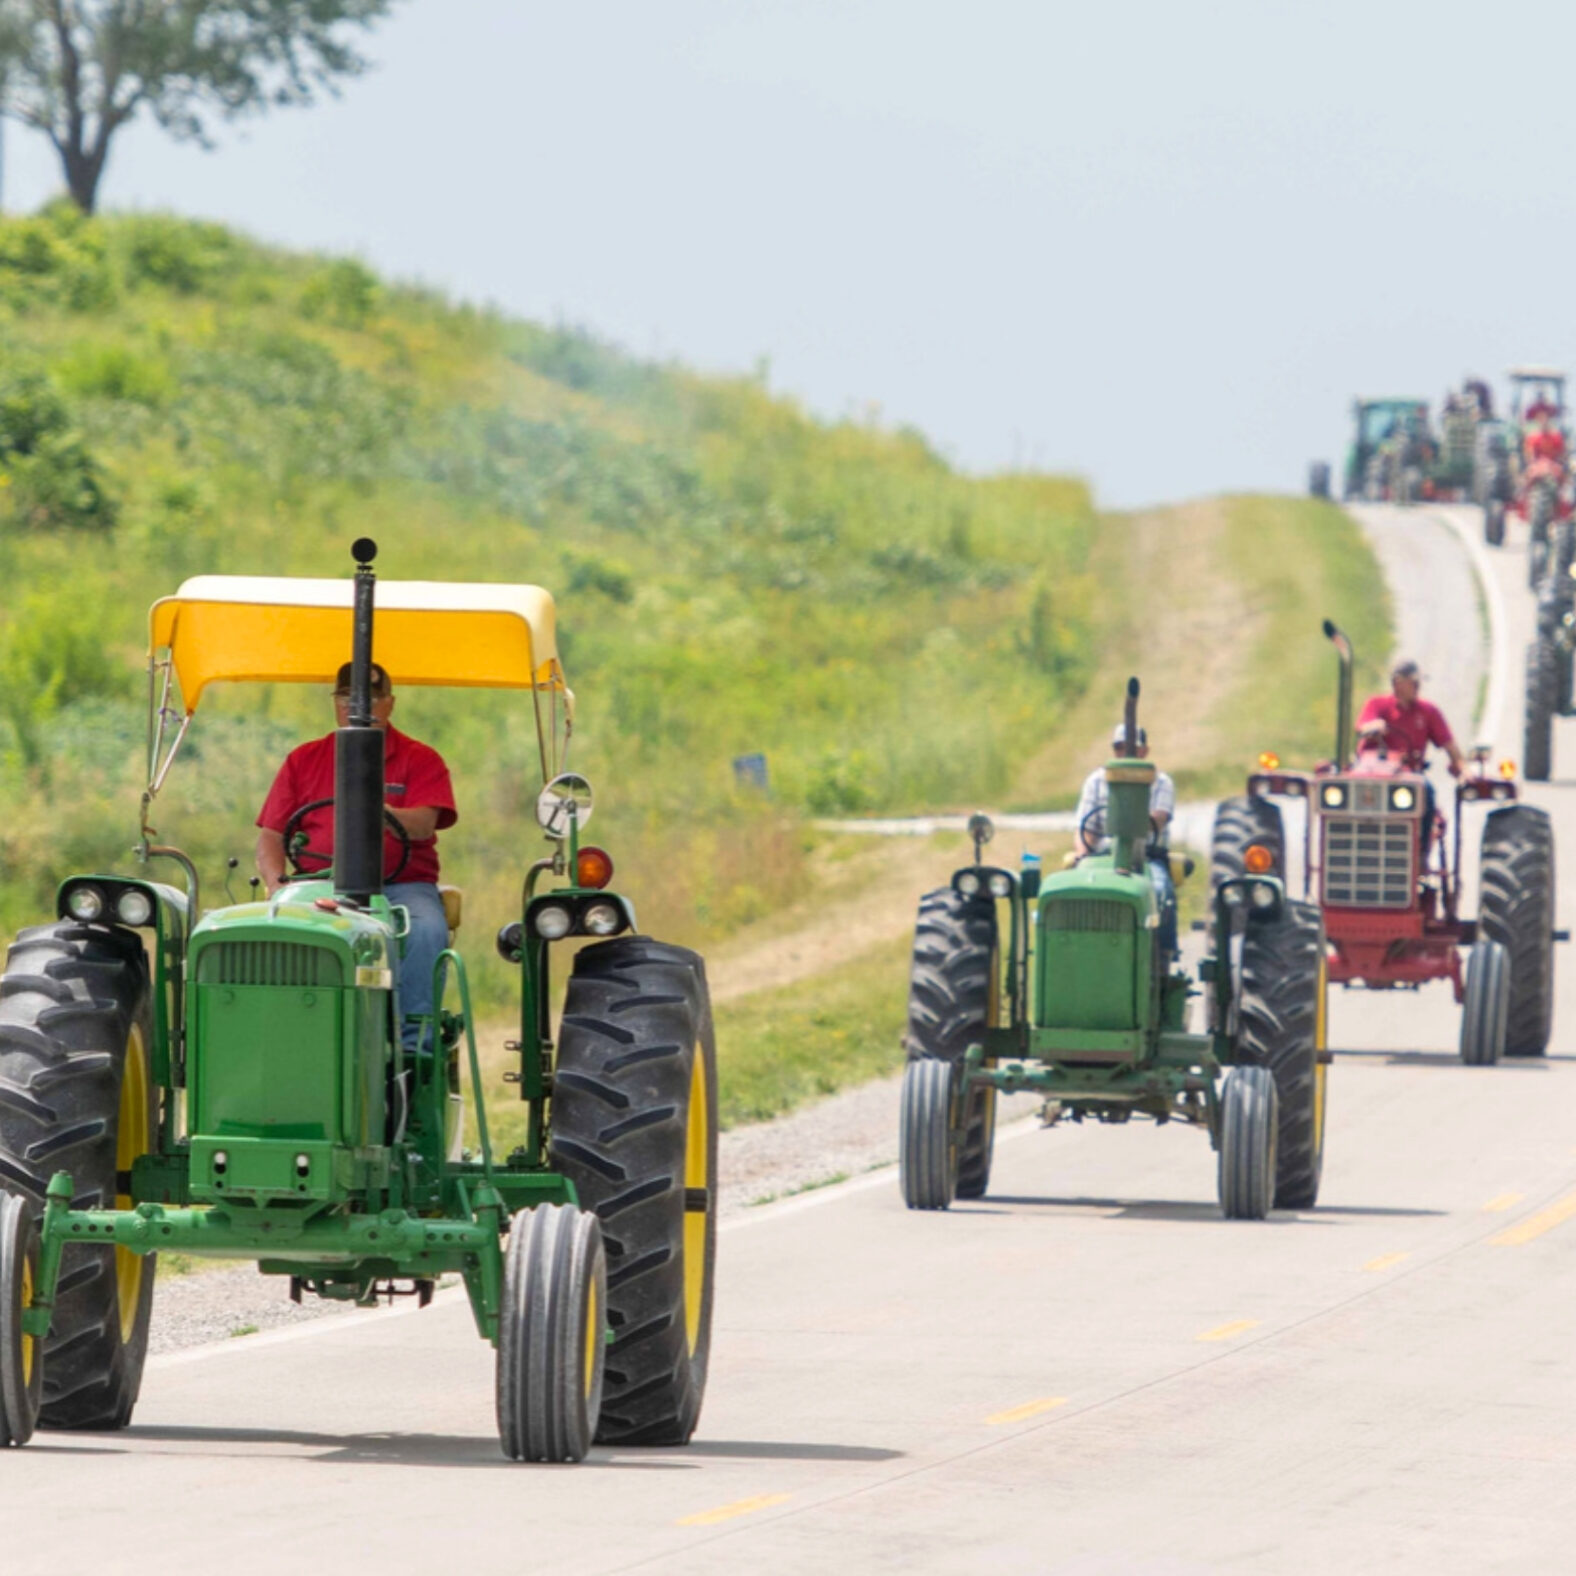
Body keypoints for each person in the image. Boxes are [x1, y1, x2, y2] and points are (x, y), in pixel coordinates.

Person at [256, 662, 458, 1050]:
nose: (357, 704)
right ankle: (288, 1040)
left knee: (425, 928)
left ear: (389, 703)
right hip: (316, 883)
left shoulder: (420, 759)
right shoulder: (305, 760)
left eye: (370, 696)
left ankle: (414, 1046)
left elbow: (423, 824)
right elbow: (271, 834)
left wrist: (376, 811)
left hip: (401, 885)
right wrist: (276, 882)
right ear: (335, 702)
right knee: (277, 930)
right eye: (346, 696)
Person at [1075, 722, 1178, 957]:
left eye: (1132, 747)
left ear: (1145, 751)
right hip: (1102, 856)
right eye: (1120, 747)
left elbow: (1157, 820)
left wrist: (1127, 819)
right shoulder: (1096, 781)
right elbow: (1086, 827)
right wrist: (1082, 855)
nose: (1126, 752)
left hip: (1148, 855)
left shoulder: (1161, 782)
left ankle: (1163, 954)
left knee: (1161, 890)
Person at [1356, 659, 1462, 861]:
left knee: (1427, 793)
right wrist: (1374, 727)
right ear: (1397, 683)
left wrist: (1461, 766)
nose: (1417, 687)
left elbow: (1449, 744)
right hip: (1372, 776)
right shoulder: (1377, 705)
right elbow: (1363, 727)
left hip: (1409, 776)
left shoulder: (1427, 711)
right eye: (1412, 682)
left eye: (1418, 682)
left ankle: (1420, 853)